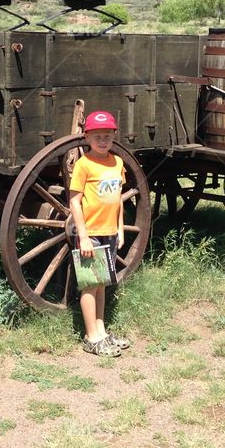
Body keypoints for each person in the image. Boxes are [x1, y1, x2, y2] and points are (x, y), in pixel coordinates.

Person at [69, 110, 132, 357]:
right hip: (91, 233)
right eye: (97, 136)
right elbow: (75, 202)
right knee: (89, 284)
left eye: (107, 135)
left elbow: (118, 199)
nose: (103, 140)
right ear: (87, 137)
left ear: (114, 136)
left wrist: (120, 228)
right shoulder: (84, 165)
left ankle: (101, 331)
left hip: (110, 232)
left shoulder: (117, 163)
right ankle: (91, 337)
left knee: (102, 283)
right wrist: (83, 236)